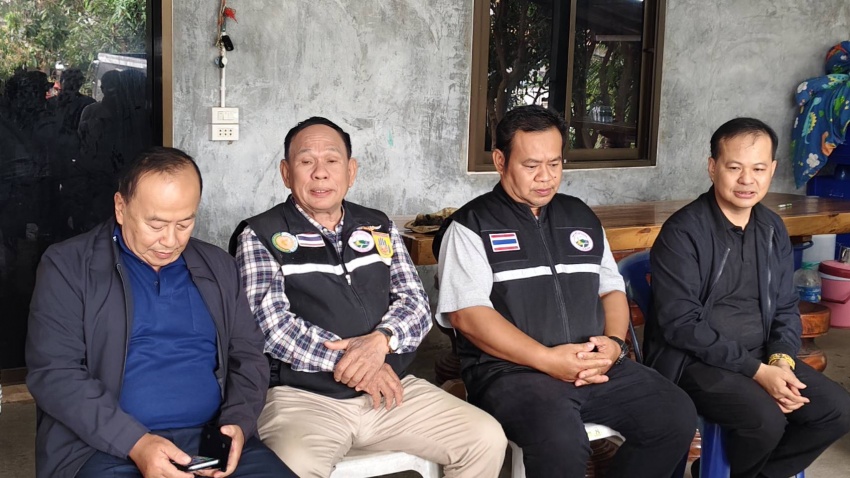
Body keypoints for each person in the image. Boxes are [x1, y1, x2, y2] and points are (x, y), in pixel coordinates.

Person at [232, 116, 507, 478]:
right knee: (292, 465)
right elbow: (272, 327)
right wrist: (362, 366)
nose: (320, 173)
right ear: (286, 173)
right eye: (306, 161)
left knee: (485, 438)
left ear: (351, 171)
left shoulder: (378, 225)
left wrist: (381, 342)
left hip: (392, 391)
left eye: (331, 160)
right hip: (303, 399)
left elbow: (415, 303)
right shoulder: (260, 234)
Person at [434, 105, 696, 478]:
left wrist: (613, 345)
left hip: (593, 362)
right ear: (500, 161)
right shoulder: (471, 226)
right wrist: (546, 359)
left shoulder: (581, 217)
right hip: (512, 373)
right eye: (531, 165)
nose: (545, 177)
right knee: (561, 442)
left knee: (674, 414)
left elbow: (611, 290)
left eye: (555, 164)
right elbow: (468, 315)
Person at [26, 147, 295, 478]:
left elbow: (249, 355)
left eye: (185, 223)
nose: (170, 240)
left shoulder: (218, 267)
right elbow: (54, 372)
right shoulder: (69, 266)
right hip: (104, 446)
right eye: (156, 224)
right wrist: (136, 443)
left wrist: (237, 423)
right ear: (121, 207)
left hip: (211, 442)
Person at [646, 117, 850, 478]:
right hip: (694, 362)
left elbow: (785, 306)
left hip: (762, 355)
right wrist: (757, 372)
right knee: (764, 420)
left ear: (771, 169)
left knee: (836, 410)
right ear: (713, 167)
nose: (747, 180)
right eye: (734, 167)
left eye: (758, 168)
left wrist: (781, 361)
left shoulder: (771, 228)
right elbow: (681, 324)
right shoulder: (682, 232)